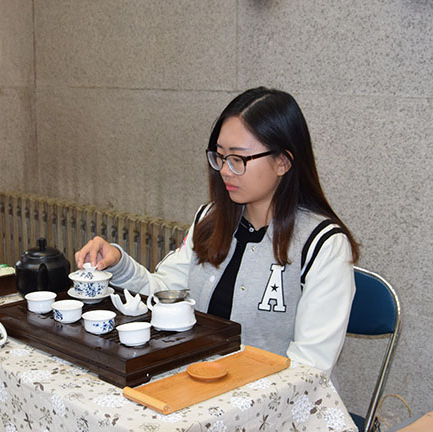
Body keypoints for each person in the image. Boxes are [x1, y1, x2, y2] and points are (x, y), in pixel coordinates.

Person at [75, 87, 359, 376]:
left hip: (272, 398)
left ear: (282, 162)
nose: (224, 170)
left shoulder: (323, 243)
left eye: (238, 159)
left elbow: (310, 367)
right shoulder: (210, 219)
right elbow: (163, 294)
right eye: (220, 157)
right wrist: (118, 264)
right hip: (200, 383)